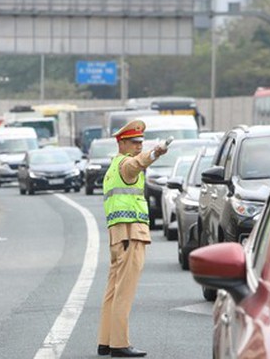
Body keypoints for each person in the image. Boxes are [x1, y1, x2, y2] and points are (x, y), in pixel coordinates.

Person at [97, 119, 168, 358]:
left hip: (119, 234)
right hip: (130, 233)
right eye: (134, 142)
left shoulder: (112, 167)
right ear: (122, 142)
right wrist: (155, 152)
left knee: (113, 288)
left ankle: (105, 341)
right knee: (125, 289)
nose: (139, 146)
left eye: (141, 142)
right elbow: (138, 163)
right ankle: (119, 344)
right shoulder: (126, 165)